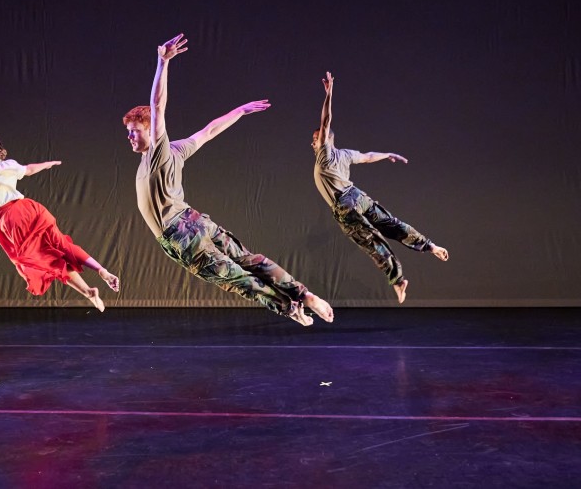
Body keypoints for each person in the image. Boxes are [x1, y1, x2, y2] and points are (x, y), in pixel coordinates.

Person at [122, 33, 333, 326]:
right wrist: (240, 111)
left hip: (180, 234)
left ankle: (290, 306)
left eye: (135, 131)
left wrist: (163, 63)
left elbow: (158, 106)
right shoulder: (176, 150)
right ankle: (304, 295)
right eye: (128, 132)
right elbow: (208, 131)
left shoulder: (160, 151)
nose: (130, 137)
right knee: (247, 260)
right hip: (194, 221)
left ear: (150, 130)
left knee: (234, 276)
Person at [0, 90, 120, 311]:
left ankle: (89, 289)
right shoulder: (9, 165)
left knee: (42, 260)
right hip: (31, 209)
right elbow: (29, 169)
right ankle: (98, 276)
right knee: (61, 245)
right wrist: (48, 164)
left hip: (11, 218)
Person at [311, 71, 449, 304]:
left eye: (315, 139)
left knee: (371, 240)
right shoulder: (345, 154)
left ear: (325, 139)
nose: (312, 143)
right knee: (391, 224)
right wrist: (387, 154)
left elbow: (326, 120)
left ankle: (398, 280)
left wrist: (329, 94)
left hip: (345, 205)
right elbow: (367, 157)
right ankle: (430, 246)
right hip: (358, 196)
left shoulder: (325, 153)